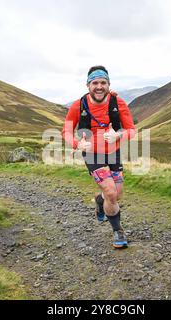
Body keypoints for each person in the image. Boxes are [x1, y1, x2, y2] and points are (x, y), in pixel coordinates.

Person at [62, 66, 136, 249]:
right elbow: (67, 131)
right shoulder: (77, 106)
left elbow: (132, 130)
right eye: (95, 83)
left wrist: (118, 135)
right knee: (111, 192)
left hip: (113, 152)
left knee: (116, 195)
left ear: (109, 85)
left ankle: (100, 200)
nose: (99, 86)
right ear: (88, 85)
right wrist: (77, 144)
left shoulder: (118, 103)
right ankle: (118, 231)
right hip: (92, 153)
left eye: (103, 82)